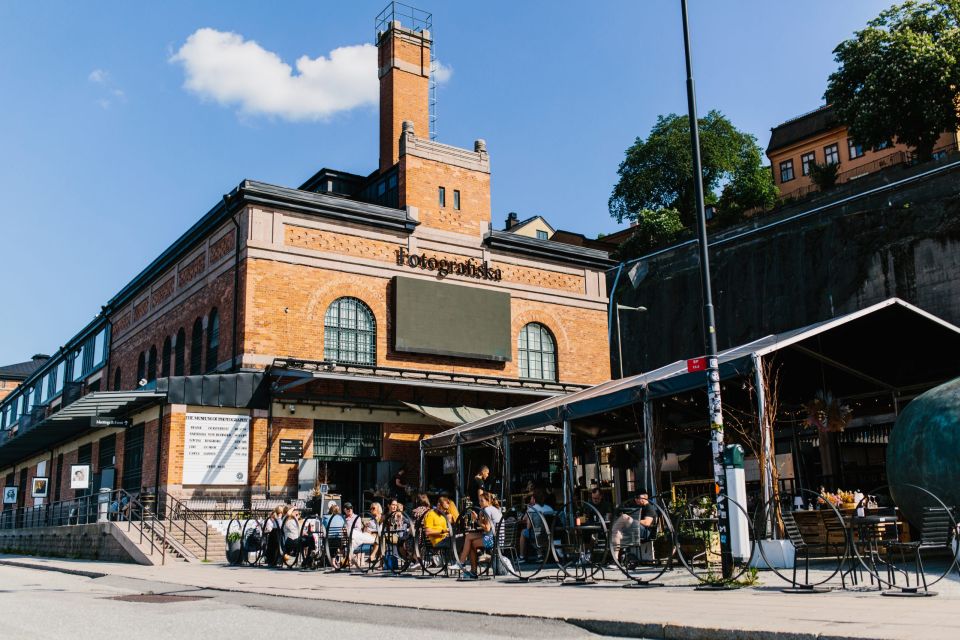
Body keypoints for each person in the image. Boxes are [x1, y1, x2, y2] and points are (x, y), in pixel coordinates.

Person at [458, 492, 502, 579]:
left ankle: (469, 568)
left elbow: (487, 528)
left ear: (488, 501)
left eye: (482, 501)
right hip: (499, 539)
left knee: (471, 543)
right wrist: (478, 518)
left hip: (493, 540)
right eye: (479, 501)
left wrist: (476, 520)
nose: (480, 503)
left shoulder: (487, 510)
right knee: (469, 537)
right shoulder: (494, 509)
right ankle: (463, 564)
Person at [518, 493, 553, 560]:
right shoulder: (549, 508)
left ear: (534, 500)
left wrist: (528, 509)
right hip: (550, 533)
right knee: (534, 532)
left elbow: (526, 523)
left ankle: (522, 556)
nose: (530, 499)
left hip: (537, 533)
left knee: (524, 532)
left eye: (531, 498)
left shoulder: (532, 509)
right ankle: (540, 555)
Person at [350, 502, 382, 567]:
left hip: (373, 537)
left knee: (353, 533)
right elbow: (364, 529)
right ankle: (351, 557)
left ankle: (351, 557)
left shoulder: (381, 518)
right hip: (366, 535)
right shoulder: (372, 519)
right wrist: (365, 527)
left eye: (373, 508)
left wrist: (371, 532)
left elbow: (381, 530)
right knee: (353, 540)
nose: (371, 510)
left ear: (378, 509)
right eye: (370, 508)